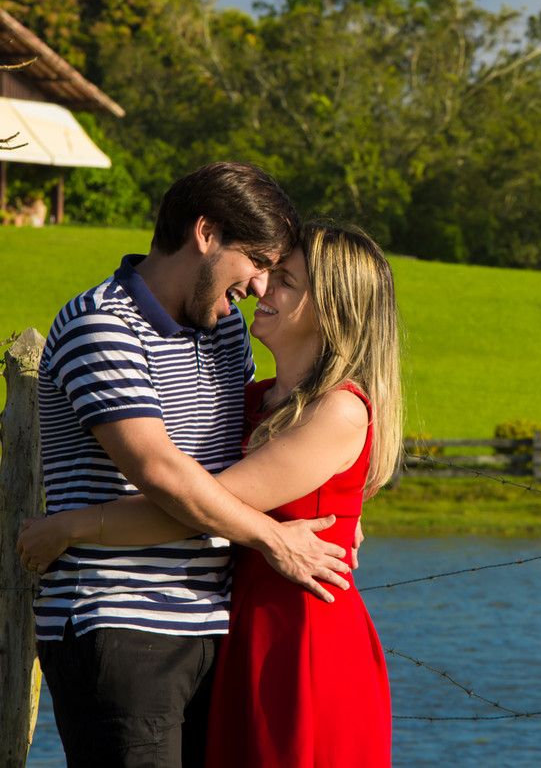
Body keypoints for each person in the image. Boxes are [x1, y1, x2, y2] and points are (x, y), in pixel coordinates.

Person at [20, 222, 402, 768]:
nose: (261, 289)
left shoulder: (338, 411)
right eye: (267, 272)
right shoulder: (252, 399)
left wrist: (71, 526)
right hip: (237, 629)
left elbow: (197, 506)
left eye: (286, 281)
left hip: (302, 640)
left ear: (333, 311)